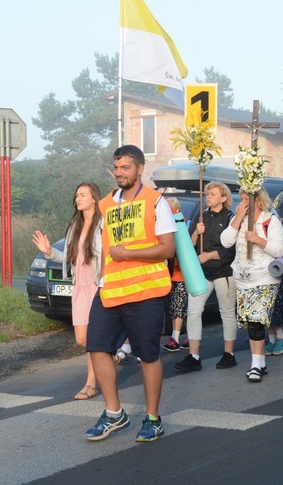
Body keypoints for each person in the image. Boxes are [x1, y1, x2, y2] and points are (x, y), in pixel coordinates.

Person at [84, 145, 176, 443]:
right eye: (116, 167)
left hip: (146, 291)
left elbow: (167, 248)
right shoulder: (105, 203)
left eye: (125, 167)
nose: (119, 172)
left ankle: (152, 418)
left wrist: (127, 254)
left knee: (147, 355)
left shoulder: (155, 202)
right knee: (96, 347)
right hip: (110, 289)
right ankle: (114, 414)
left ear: (140, 168)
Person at [32, 182, 103, 400]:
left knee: (93, 339)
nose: (78, 198)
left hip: (97, 285)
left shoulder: (103, 224)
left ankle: (91, 384)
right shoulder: (76, 224)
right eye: (77, 195)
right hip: (79, 287)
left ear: (94, 198)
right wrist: (49, 252)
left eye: (83, 195)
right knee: (83, 339)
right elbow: (69, 259)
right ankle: (107, 361)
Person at [221, 187, 283, 382]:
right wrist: (237, 218)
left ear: (258, 201)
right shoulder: (239, 220)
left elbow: (279, 249)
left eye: (246, 200)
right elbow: (225, 241)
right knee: (251, 323)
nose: (242, 204)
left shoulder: (270, 220)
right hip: (242, 279)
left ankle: (256, 365)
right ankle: (261, 364)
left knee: (257, 321)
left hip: (264, 278)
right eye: (240, 200)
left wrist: (257, 239)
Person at [174, 181, 238, 372]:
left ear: (224, 198)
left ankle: (229, 354)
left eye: (213, 194)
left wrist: (208, 255)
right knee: (193, 310)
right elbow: (190, 243)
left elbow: (231, 250)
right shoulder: (202, 216)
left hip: (224, 272)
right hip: (203, 273)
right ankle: (194, 356)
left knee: (226, 313)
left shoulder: (230, 218)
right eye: (207, 193)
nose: (208, 196)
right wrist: (196, 232)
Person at [162, 197, 189, 352]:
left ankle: (175, 339)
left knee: (178, 308)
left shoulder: (180, 227)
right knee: (178, 309)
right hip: (172, 275)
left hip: (181, 274)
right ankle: (186, 337)